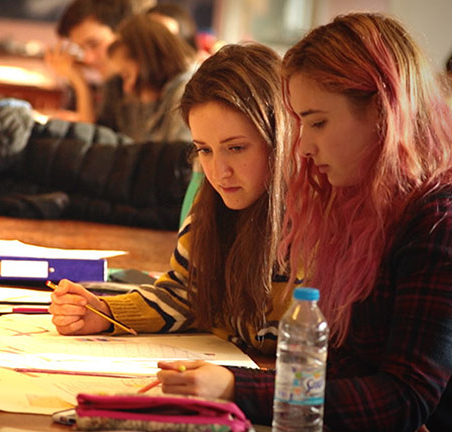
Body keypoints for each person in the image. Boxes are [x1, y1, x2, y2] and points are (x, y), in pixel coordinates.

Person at [152, 13, 452, 431]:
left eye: (317, 122)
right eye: (299, 123)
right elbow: (351, 366)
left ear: (383, 112)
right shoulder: (358, 202)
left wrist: (234, 387)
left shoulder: (446, 217)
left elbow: (403, 400)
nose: (301, 146)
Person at [49, 42, 293, 354]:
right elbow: (185, 291)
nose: (219, 172)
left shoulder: (314, 219)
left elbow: (284, 334)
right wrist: (106, 313)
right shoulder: (212, 202)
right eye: (204, 149)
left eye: (236, 148)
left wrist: (220, 321)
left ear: (279, 137)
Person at [100, 14, 196, 142]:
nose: (127, 88)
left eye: (126, 75)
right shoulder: (159, 95)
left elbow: (177, 156)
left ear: (147, 63)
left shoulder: (188, 93)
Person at [44, 0, 133, 124]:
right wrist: (78, 80)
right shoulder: (114, 83)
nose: (87, 58)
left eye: (94, 44)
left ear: (124, 32)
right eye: (81, 48)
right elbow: (95, 133)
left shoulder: (143, 84)